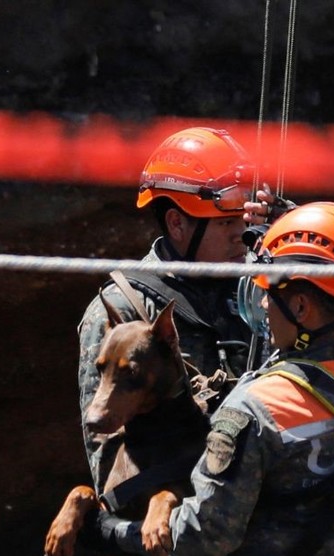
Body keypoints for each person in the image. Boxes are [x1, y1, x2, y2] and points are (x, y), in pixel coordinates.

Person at [88, 202, 334, 556]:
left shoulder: (260, 406)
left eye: (270, 293)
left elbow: (204, 538)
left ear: (300, 306)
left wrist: (113, 533)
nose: (263, 304)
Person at [78, 126, 288, 497]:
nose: (242, 235)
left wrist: (291, 229)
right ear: (177, 223)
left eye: (244, 221)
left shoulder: (261, 287)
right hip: (177, 518)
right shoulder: (123, 312)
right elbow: (109, 463)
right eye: (226, 223)